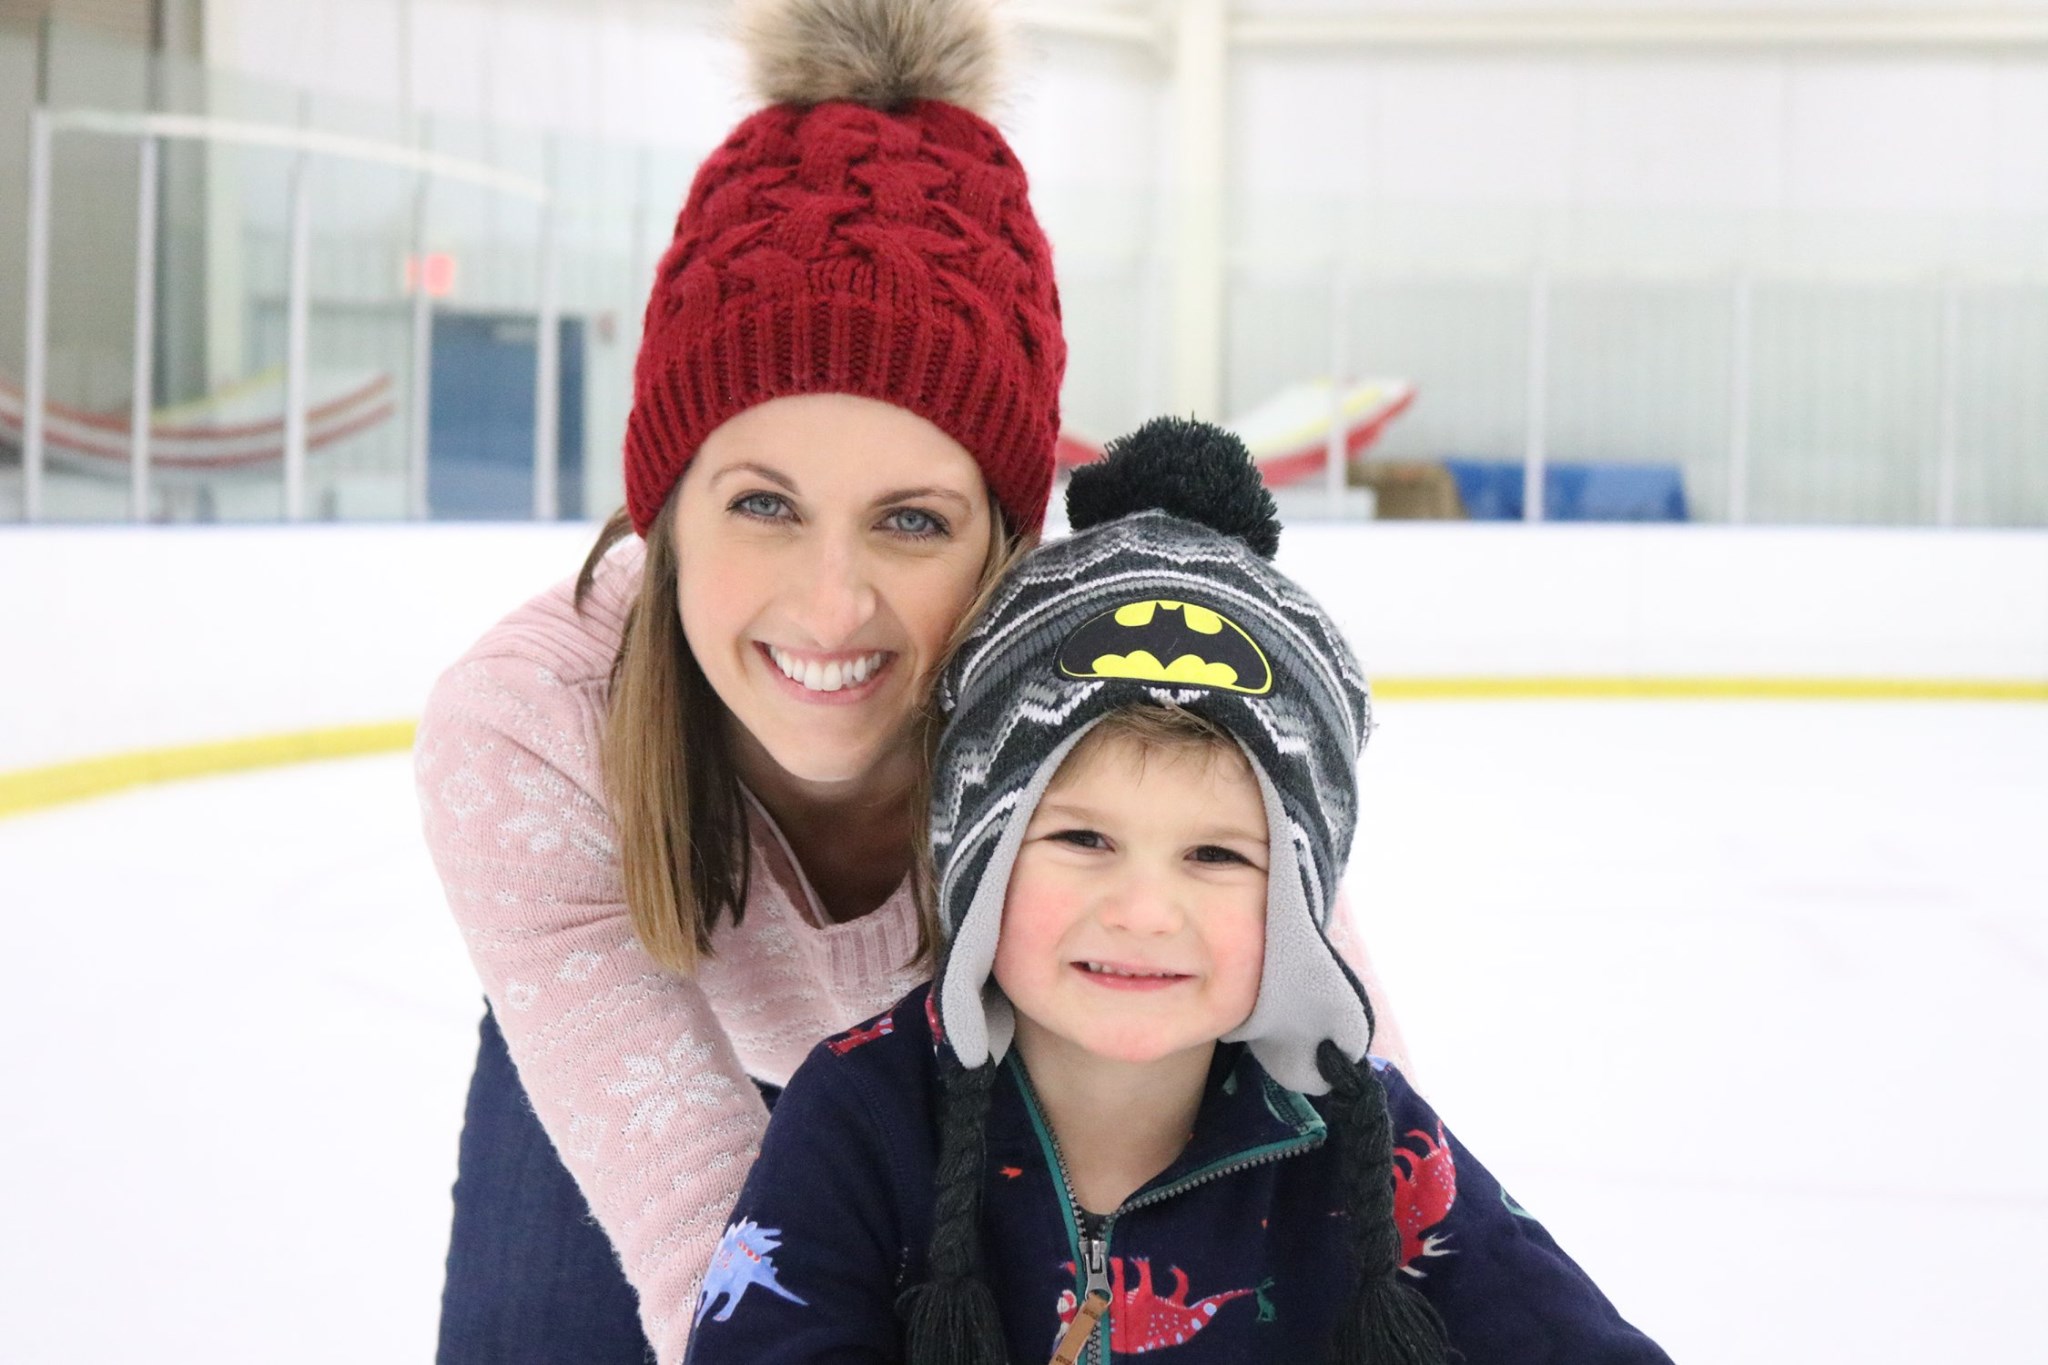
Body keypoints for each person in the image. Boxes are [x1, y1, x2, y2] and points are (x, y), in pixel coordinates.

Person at [413, 1, 1413, 1360]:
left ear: (1009, 536)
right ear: (664, 510)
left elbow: (1343, 1090)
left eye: (911, 519)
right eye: (763, 504)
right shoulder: (533, 736)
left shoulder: (1110, 685)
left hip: (980, 1081)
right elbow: (712, 1261)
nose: (831, 605)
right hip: (654, 1053)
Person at [680, 419, 1673, 1365]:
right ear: (975, 860)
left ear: (1293, 900)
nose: (1144, 911)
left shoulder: (1364, 1137)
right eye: (1081, 838)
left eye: (1213, 857)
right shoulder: (862, 1119)